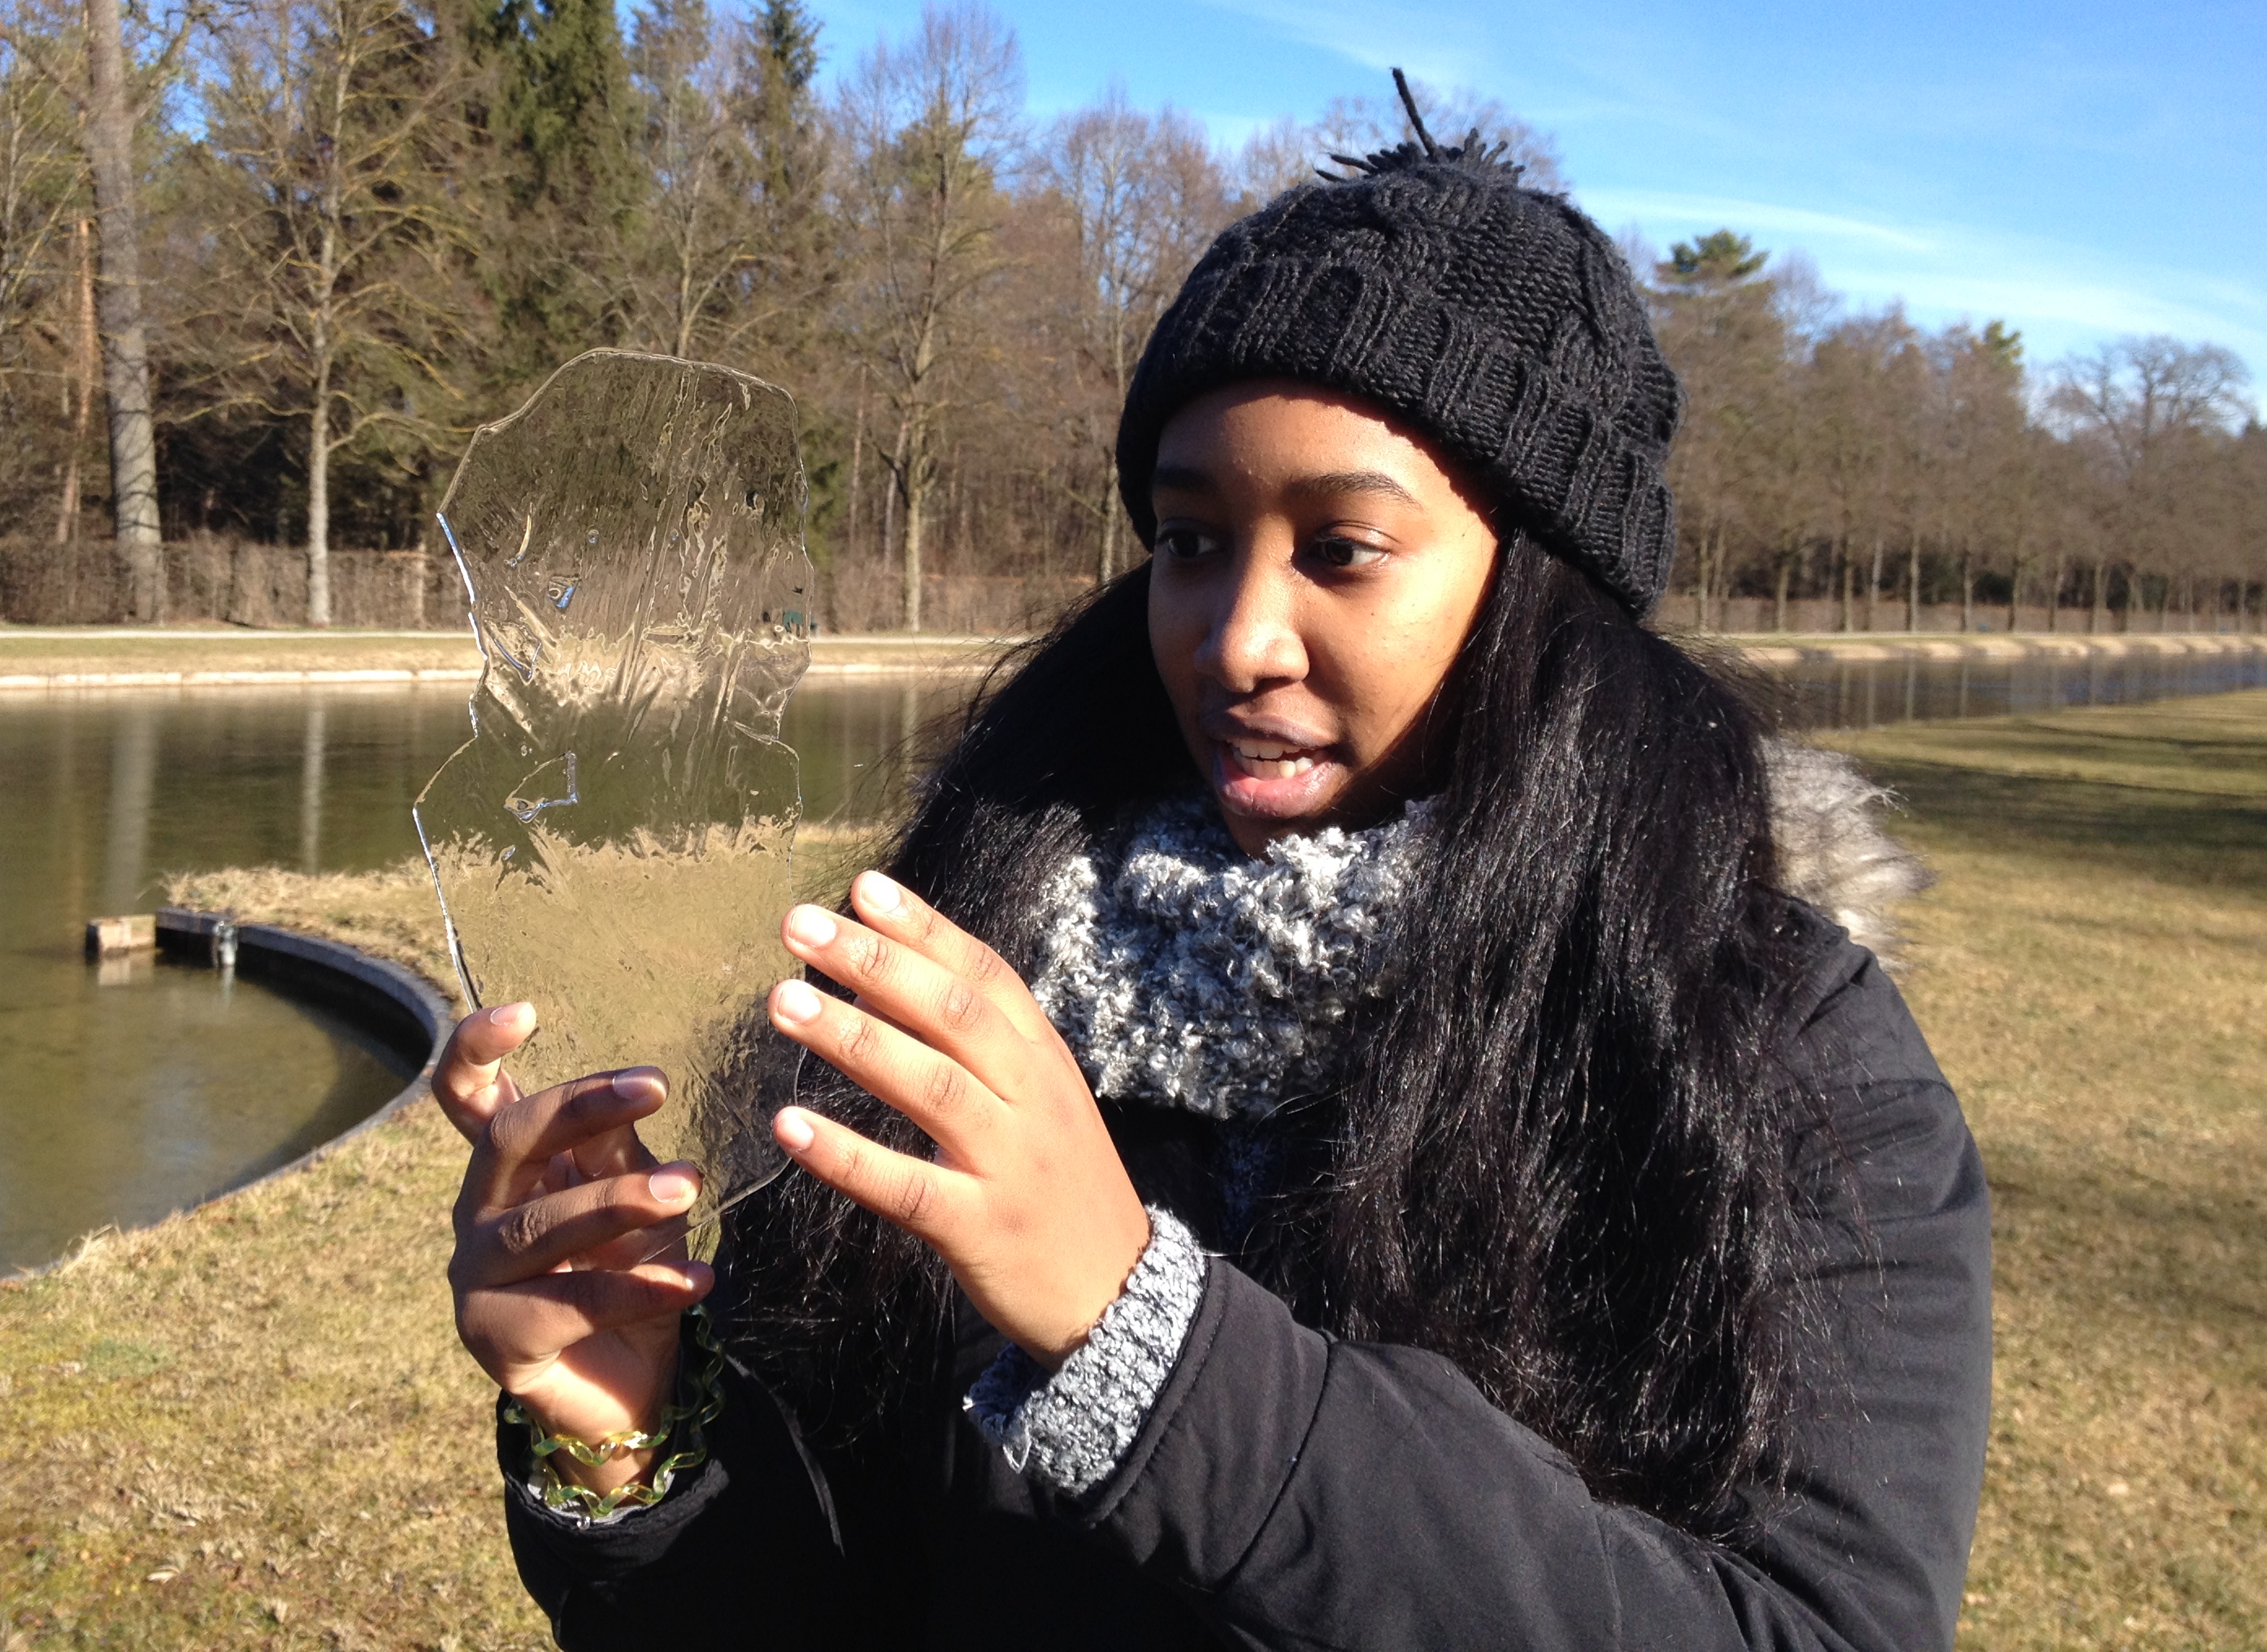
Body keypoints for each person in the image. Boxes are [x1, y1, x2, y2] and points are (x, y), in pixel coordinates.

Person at [432, 89, 1991, 1651]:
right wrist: (629, 1433)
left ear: (1543, 597)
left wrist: (1152, 1352)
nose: (1236, 642)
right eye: (1190, 541)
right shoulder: (960, 981)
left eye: (1341, 549)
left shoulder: (1775, 1048)